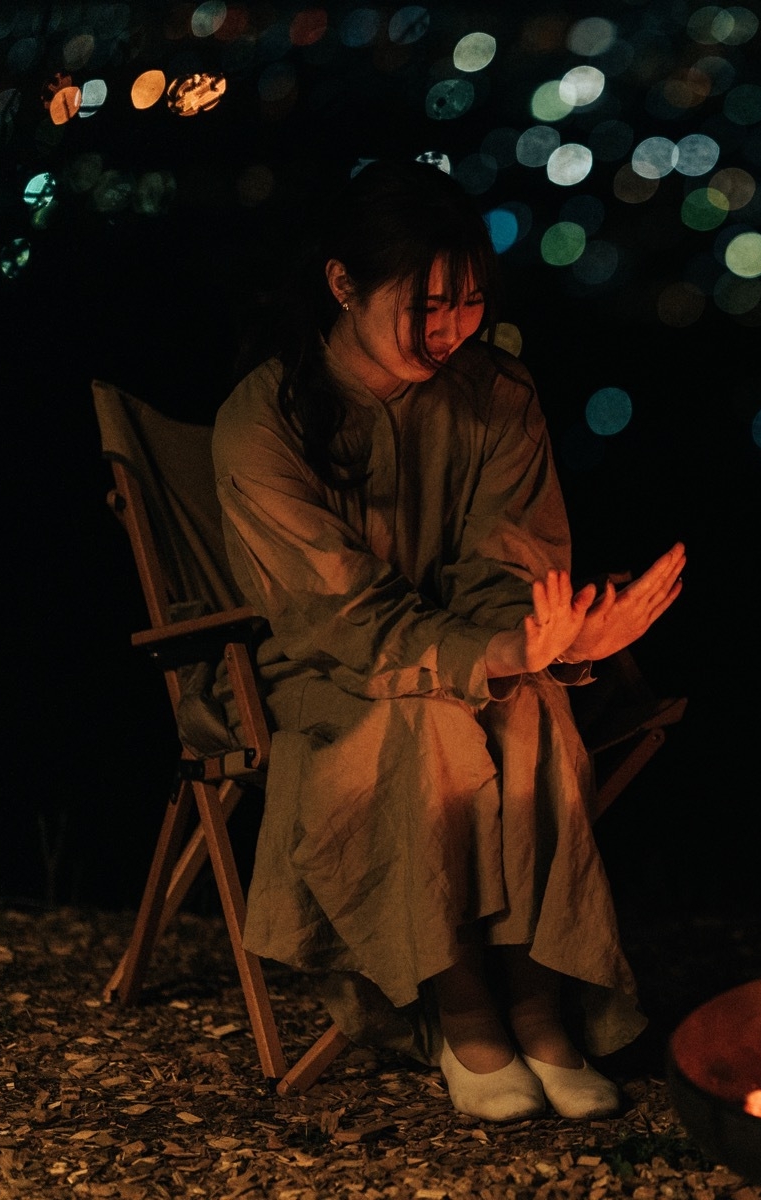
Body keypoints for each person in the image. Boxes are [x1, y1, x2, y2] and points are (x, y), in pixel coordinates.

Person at [213, 159, 684, 1122]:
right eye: (426, 304)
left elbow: (504, 568)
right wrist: (499, 654)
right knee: (426, 719)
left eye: (469, 302)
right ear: (343, 285)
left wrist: (556, 637)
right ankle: (464, 1012)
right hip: (317, 673)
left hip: (459, 649)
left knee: (535, 703)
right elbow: (337, 615)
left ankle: (540, 1004)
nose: (450, 328)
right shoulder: (264, 419)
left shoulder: (495, 395)